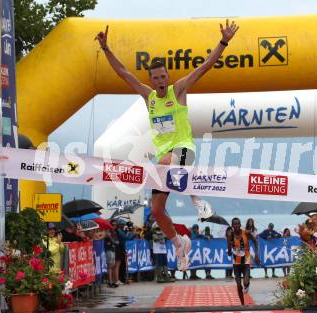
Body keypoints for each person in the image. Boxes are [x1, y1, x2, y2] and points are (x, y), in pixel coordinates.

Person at [95, 20, 239, 271]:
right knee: (157, 211)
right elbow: (124, 73)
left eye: (163, 76)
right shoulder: (148, 97)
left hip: (184, 150)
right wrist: (106, 49)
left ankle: (198, 201)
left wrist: (224, 42)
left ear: (168, 77)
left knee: (167, 160)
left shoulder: (178, 90)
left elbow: (205, 67)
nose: (160, 80)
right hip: (165, 160)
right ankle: (179, 243)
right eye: (156, 77)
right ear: (150, 80)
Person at [226, 217, 260, 306]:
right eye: (234, 224)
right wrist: (229, 245)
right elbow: (229, 253)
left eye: (238, 224)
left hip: (246, 261)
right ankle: (242, 304)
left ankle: (247, 283)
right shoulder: (230, 235)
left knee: (245, 282)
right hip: (236, 263)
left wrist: (256, 255)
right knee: (238, 286)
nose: (236, 225)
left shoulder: (246, 233)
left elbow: (255, 242)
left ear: (240, 225)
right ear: (232, 225)